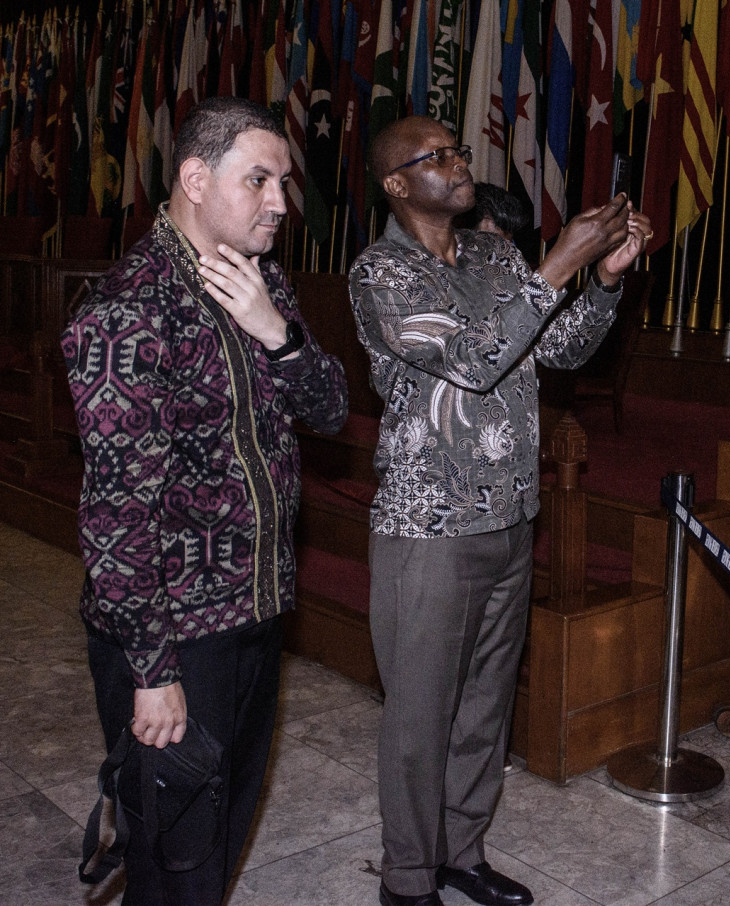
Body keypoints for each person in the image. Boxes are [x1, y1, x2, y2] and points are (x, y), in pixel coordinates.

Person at [349, 116, 651, 906]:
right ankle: (409, 880)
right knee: (419, 716)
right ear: (396, 183)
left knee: (485, 703)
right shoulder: (382, 273)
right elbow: (473, 361)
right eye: (437, 156)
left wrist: (606, 279)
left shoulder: (491, 253)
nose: (459, 162)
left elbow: (560, 350)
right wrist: (558, 264)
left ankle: (461, 851)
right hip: (430, 528)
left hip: (513, 516)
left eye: (457, 148)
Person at [63, 96, 349, 905]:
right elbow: (117, 518)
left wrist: (276, 332)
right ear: (195, 178)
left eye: (283, 183)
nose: (280, 204)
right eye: (258, 180)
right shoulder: (129, 312)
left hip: (257, 616)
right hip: (172, 639)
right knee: (173, 862)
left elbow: (329, 407)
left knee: (217, 844)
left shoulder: (264, 282)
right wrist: (152, 673)